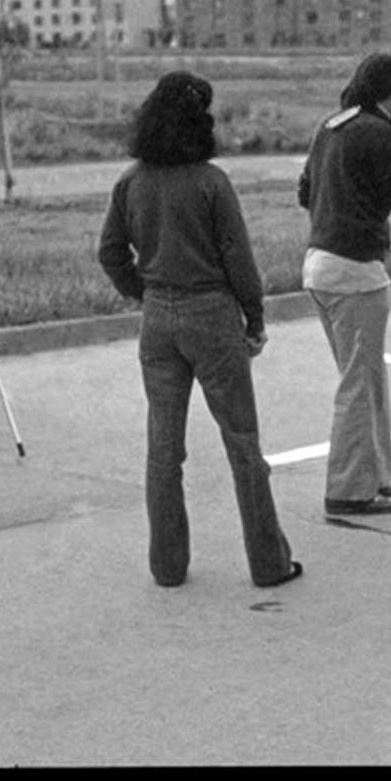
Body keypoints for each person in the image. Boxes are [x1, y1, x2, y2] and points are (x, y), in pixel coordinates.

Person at [98, 71, 301, 589]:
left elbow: (110, 251)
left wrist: (143, 291)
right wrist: (253, 319)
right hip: (211, 315)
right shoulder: (212, 182)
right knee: (242, 442)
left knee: (163, 449)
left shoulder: (131, 181)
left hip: (158, 318)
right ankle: (268, 562)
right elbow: (239, 259)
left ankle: (167, 565)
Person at [298, 54, 391, 516]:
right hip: (356, 274)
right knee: (359, 385)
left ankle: (375, 474)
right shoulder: (377, 132)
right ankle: (348, 489)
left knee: (367, 377)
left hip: (318, 265)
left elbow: (306, 192)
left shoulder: (333, 125)